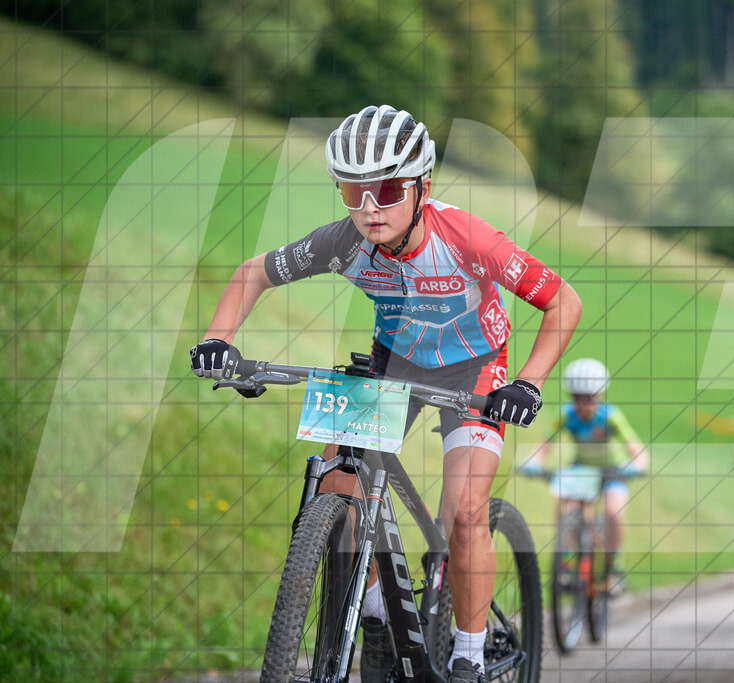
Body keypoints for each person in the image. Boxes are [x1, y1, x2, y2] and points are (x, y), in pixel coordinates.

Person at [189, 105, 582, 683]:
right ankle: (372, 610)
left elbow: (562, 301)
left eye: (389, 189)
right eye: (353, 191)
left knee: (466, 512)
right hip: (393, 364)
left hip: (473, 371)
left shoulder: (468, 238)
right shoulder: (344, 242)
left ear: (423, 187)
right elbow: (253, 272)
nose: (370, 209)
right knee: (333, 477)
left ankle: (470, 654)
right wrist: (218, 340)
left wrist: (528, 382)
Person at [520, 358, 648, 594]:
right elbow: (545, 445)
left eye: (589, 397)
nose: (583, 403)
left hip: (613, 470)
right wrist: (533, 462)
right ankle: (566, 564)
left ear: (599, 395)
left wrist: (638, 464)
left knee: (614, 513)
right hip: (581, 468)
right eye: (577, 397)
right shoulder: (566, 415)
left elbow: (635, 447)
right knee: (565, 507)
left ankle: (614, 568)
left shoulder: (610, 417)